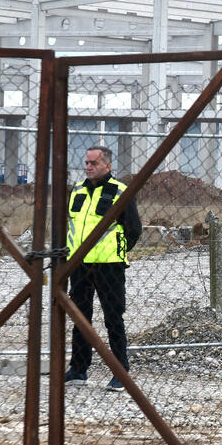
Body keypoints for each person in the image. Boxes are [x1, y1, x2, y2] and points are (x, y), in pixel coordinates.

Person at [64, 145, 142, 392]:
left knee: (113, 318)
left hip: (109, 266)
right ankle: (78, 369)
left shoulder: (120, 192)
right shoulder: (77, 191)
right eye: (86, 162)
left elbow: (133, 229)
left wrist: (116, 249)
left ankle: (120, 372)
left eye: (94, 163)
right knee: (80, 317)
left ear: (107, 166)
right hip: (79, 265)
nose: (88, 166)